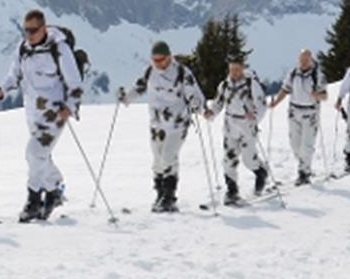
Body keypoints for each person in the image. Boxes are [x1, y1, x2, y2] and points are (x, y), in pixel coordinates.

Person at [0, 9, 84, 222]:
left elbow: (75, 83)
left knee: (34, 153)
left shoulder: (59, 49)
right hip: (32, 111)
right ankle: (53, 190)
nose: (29, 35)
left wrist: (70, 106)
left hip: (55, 112)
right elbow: (14, 75)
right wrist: (2, 90)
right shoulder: (23, 48)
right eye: (26, 30)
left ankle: (33, 201)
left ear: (43, 28)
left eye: (33, 30)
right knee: (41, 156)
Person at [118, 41, 205, 212]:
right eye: (154, 60)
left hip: (177, 123)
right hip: (157, 124)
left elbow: (193, 93)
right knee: (158, 160)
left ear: (169, 57)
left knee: (168, 156)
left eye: (161, 60)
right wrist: (126, 97)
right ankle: (160, 193)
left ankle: (169, 197)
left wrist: (199, 106)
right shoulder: (150, 71)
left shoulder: (181, 72)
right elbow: (140, 87)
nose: (158, 63)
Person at [204, 57, 268, 206]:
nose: (234, 72)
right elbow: (218, 103)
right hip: (230, 125)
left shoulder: (251, 84)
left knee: (248, 159)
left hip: (247, 126)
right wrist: (211, 113)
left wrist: (255, 116)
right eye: (231, 69)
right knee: (228, 160)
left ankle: (261, 172)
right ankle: (232, 191)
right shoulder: (224, 85)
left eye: (237, 69)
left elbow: (262, 104)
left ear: (243, 68)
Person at [268, 49, 328, 185]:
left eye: (306, 60)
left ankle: (304, 173)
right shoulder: (293, 73)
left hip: (310, 113)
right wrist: (276, 102)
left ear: (311, 60)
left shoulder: (318, 75)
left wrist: (317, 95)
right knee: (295, 144)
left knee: (306, 145)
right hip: (294, 112)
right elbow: (285, 89)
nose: (303, 63)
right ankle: (304, 166)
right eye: (301, 60)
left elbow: (325, 96)